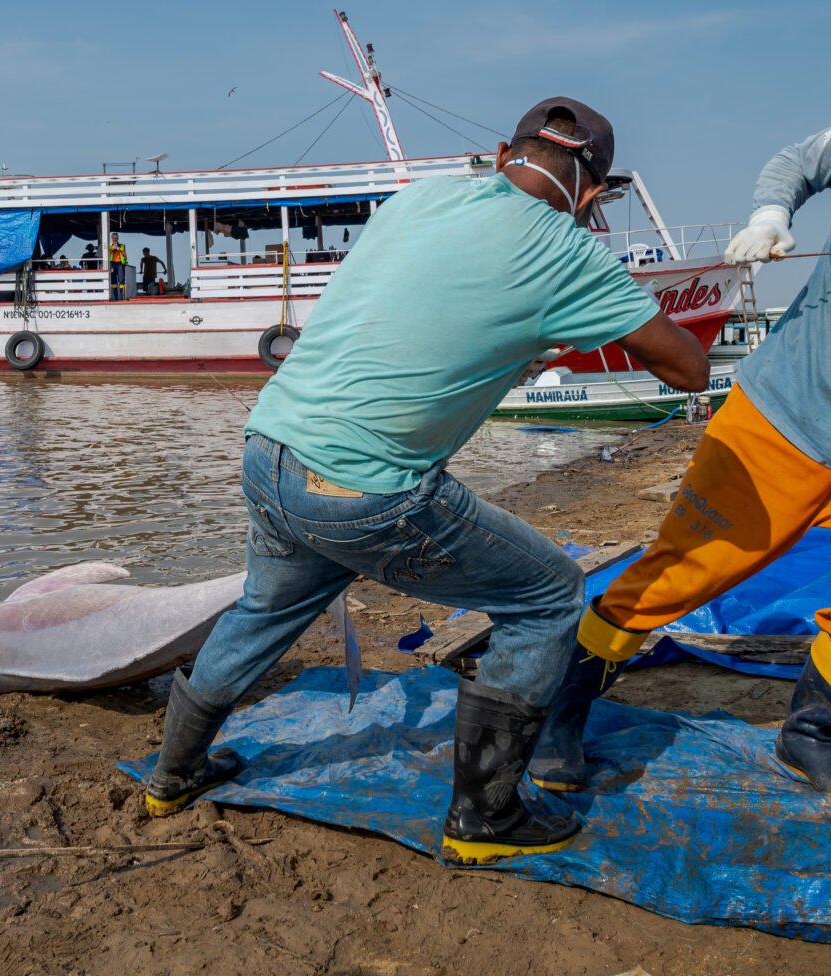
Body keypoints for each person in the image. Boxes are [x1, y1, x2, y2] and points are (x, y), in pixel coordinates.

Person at [145, 98, 708, 862]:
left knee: (261, 611)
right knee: (547, 596)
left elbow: (428, 312)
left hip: (271, 447)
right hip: (364, 490)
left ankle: (172, 774)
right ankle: (485, 817)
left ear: (500, 150)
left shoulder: (425, 196)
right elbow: (688, 368)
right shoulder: (570, 253)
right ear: (590, 192)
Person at [527, 127, 831, 795]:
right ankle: (561, 711)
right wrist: (771, 213)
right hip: (789, 410)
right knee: (678, 573)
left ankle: (811, 730)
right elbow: (801, 161)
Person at [108, 232, 127, 300]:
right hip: (112, 264)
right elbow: (106, 254)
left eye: (116, 238)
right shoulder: (109, 245)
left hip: (120, 264)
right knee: (113, 281)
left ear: (118, 238)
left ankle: (121, 297)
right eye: (113, 238)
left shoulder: (122, 245)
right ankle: (115, 297)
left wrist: (119, 249)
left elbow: (125, 255)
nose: (115, 239)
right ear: (111, 239)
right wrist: (112, 249)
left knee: (121, 280)